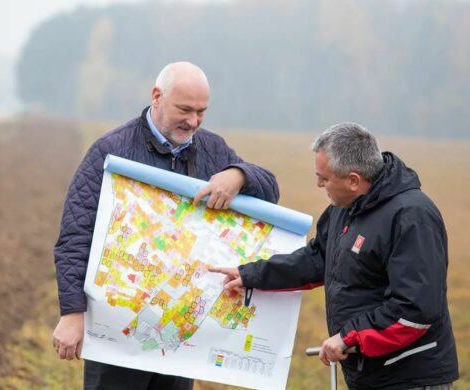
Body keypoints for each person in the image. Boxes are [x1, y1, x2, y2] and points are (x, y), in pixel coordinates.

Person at [52, 61, 280, 390]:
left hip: (178, 334)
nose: (193, 121)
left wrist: (239, 175)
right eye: (185, 109)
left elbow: (270, 191)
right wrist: (72, 312)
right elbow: (76, 235)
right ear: (157, 96)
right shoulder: (110, 151)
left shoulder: (213, 150)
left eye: (202, 112)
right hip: (117, 330)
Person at [211, 123, 459, 389]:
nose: (319, 184)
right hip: (368, 374)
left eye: (325, 178)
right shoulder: (345, 207)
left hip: (410, 378)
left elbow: (415, 311)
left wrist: (349, 337)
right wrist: (251, 275)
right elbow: (318, 259)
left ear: (353, 180)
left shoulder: (412, 217)